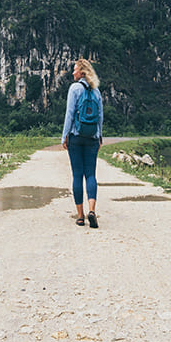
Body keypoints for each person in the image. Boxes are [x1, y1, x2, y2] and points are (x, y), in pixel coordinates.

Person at [62, 57, 104, 228]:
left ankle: (80, 216)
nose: (73, 72)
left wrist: (65, 136)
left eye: (75, 69)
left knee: (77, 175)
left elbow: (69, 114)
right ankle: (92, 210)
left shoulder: (74, 89)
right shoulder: (96, 91)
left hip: (76, 137)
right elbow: (100, 117)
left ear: (82, 72)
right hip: (92, 138)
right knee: (91, 175)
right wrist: (100, 136)